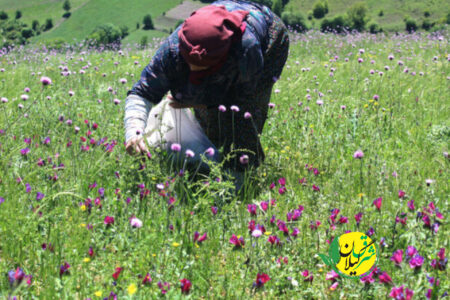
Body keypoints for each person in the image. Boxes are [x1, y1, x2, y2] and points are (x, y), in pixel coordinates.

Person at [124, 0, 289, 189]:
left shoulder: (246, 52)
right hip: (222, 46)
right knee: (208, 119)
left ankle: (241, 179)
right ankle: (211, 159)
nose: (193, 71)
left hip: (271, 38)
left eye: (203, 66)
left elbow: (240, 107)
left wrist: (196, 101)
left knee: (237, 120)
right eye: (189, 63)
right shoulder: (172, 48)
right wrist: (134, 132)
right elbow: (141, 92)